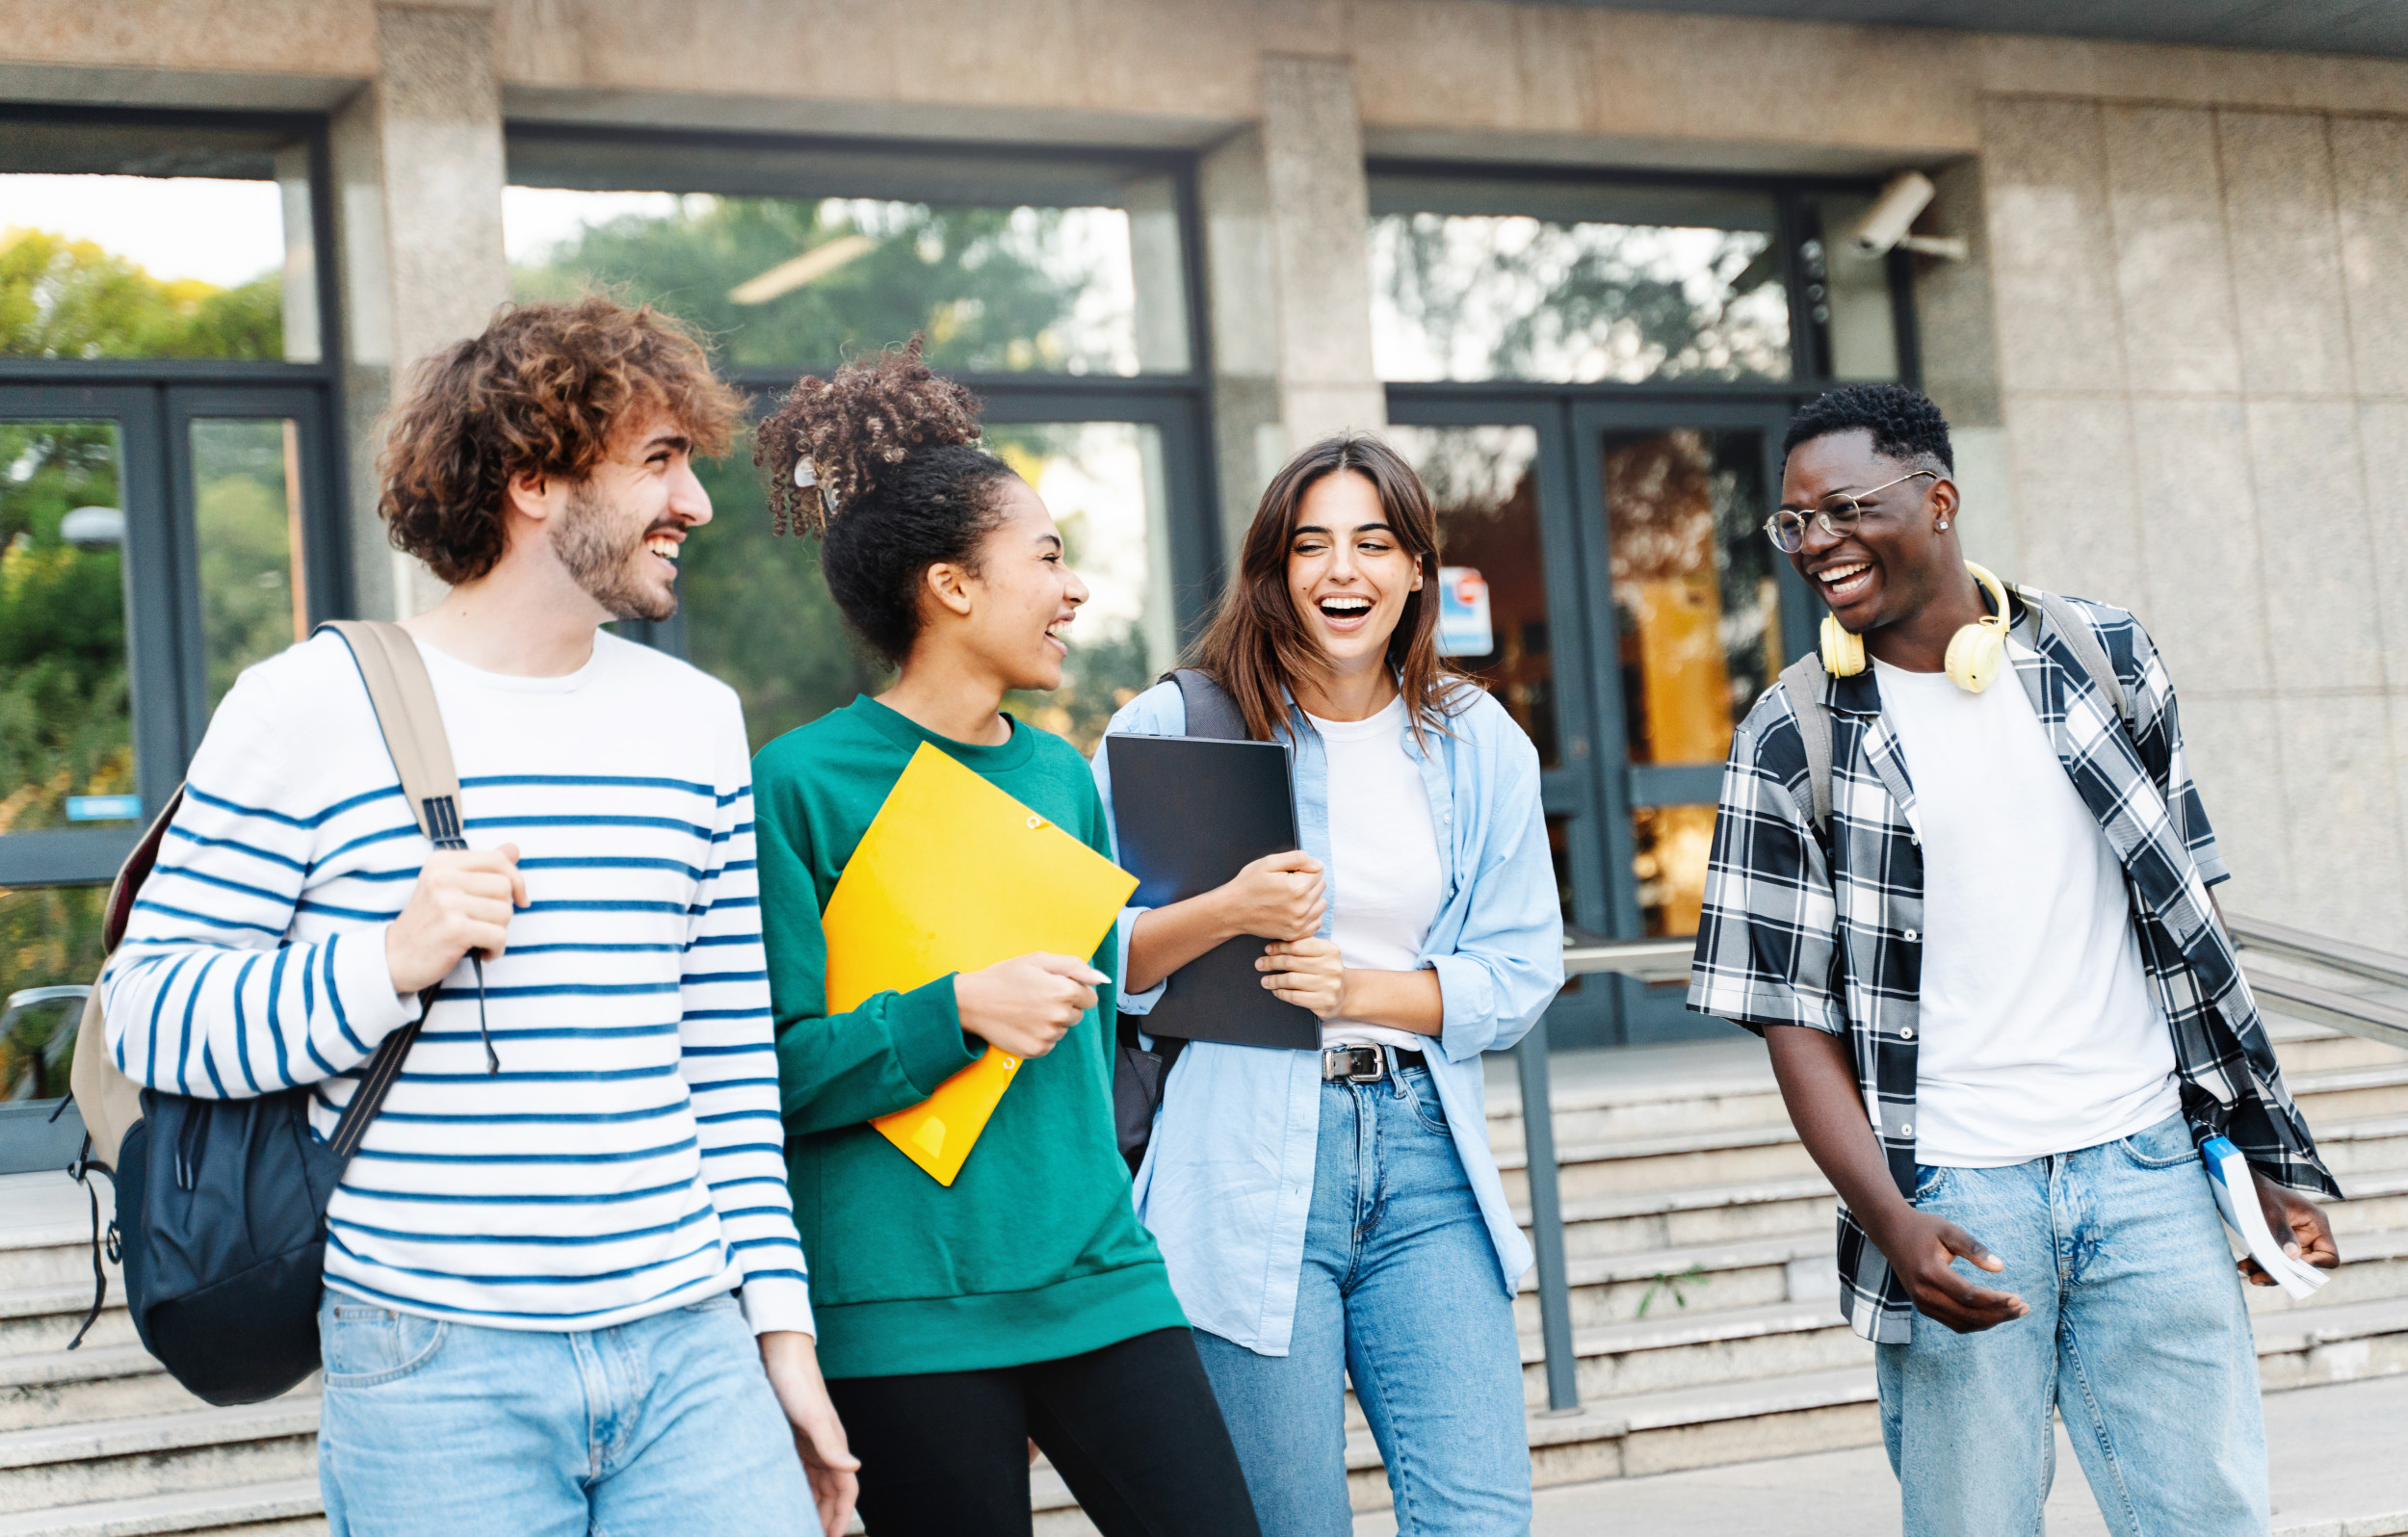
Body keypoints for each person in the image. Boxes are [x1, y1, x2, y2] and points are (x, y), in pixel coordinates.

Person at [97, 299, 856, 1536]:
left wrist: (779, 1335)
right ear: (534, 480)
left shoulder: (697, 720)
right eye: (660, 461)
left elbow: (722, 1066)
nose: (697, 506)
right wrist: (384, 962)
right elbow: (149, 1013)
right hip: (435, 1360)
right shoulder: (306, 704)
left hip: (689, 1354)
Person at [1688, 382, 2343, 1535]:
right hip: (1953, 1189)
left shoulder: (2103, 655)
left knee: (2210, 1520)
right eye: (1795, 522)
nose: (1816, 543)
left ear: (1937, 499)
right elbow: (1790, 1022)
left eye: (1843, 508)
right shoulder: (1789, 737)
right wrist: (1890, 1218)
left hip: (2147, 1174)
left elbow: (2193, 918)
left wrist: (2257, 1144)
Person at [746, 340, 1260, 1537]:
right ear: (953, 586)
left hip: (1097, 1275)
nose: (1072, 590)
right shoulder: (797, 787)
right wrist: (954, 1009)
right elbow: (764, 1069)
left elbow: (1081, 1052)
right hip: (903, 1306)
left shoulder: (1058, 778)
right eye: (1047, 558)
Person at [1093, 434, 1564, 1536]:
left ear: (1415, 571)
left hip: (1424, 1153)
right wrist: (1226, 914)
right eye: (1310, 546)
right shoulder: (1172, 726)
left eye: (1372, 543)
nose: (1340, 572)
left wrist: (1351, 986)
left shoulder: (1475, 739)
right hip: (1240, 1156)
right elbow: (1088, 951)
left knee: (1479, 1518)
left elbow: (1518, 969)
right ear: (1273, 568)